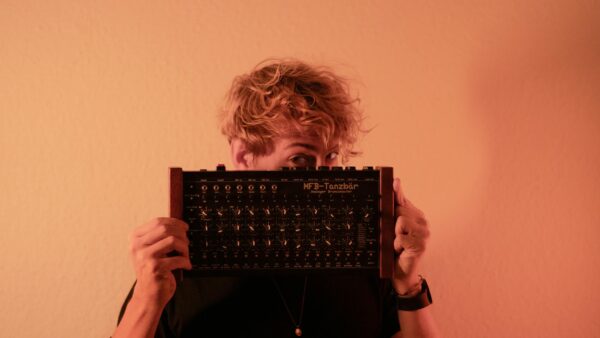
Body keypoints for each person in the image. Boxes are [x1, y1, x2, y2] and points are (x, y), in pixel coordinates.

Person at [112, 59, 440, 338]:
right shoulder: (180, 258)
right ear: (244, 155)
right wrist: (147, 297)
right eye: (300, 160)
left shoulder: (363, 246)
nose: (323, 176)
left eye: (331, 157)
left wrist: (407, 281)